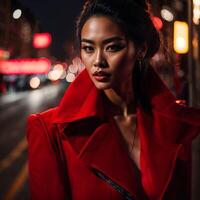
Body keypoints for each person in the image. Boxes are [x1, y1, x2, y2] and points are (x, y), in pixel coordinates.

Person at [26, 0, 200, 199]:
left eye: (112, 47)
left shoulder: (176, 123)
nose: (98, 61)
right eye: (89, 49)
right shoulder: (50, 132)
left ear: (141, 49)